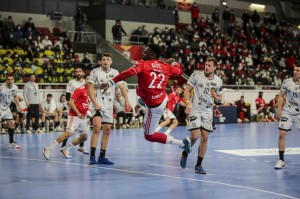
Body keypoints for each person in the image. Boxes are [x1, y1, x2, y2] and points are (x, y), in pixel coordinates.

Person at [100, 44, 192, 153]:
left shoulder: (143, 64)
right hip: (162, 98)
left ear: (152, 55)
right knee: (141, 89)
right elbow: (180, 71)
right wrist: (174, 62)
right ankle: (144, 101)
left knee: (149, 136)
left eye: (146, 52)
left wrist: (111, 82)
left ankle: (181, 143)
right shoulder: (166, 66)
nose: (143, 53)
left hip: (154, 106)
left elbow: (128, 73)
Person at [179, 57, 223, 174]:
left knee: (205, 137)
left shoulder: (218, 81)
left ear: (214, 67)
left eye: (209, 65)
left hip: (208, 112)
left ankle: (198, 165)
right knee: (195, 136)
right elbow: (187, 90)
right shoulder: (196, 75)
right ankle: (185, 153)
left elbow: (220, 100)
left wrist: (216, 98)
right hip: (195, 110)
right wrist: (188, 105)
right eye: (206, 64)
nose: (206, 66)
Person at [88, 53, 130, 165]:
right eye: (103, 59)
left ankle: (102, 157)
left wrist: (127, 100)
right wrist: (94, 102)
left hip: (108, 106)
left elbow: (122, 87)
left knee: (107, 131)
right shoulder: (95, 72)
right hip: (97, 104)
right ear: (101, 61)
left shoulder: (115, 72)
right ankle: (92, 156)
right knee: (96, 128)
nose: (105, 61)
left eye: (108, 59)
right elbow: (90, 88)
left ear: (111, 61)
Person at [43, 77, 91, 160]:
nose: (89, 81)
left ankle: (66, 148)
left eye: (91, 79)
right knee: (68, 134)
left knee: (85, 137)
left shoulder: (91, 91)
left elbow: (86, 103)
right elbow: (70, 102)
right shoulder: (80, 89)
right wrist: (78, 112)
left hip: (83, 117)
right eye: (88, 79)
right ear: (85, 81)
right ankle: (48, 149)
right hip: (74, 115)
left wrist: (88, 112)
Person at [274, 63, 300, 169]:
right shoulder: (287, 82)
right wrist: (279, 110)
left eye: (298, 70)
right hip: (288, 111)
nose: (295, 72)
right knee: (282, 134)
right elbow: (281, 96)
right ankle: (281, 160)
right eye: (294, 70)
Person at [61, 66, 89, 154]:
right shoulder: (71, 83)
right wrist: (73, 107)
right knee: (70, 130)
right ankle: (63, 147)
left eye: (80, 71)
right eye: (76, 71)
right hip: (74, 109)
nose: (78, 73)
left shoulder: (86, 82)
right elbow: (68, 97)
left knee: (83, 129)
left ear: (83, 73)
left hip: (83, 109)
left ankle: (81, 146)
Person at [0, 75, 22, 148]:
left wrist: (19, 106)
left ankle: (11, 142)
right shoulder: (2, 88)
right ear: (6, 80)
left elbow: (15, 96)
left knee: (11, 124)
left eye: (11, 79)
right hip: (0, 107)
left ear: (13, 80)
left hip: (7, 108)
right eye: (8, 79)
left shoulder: (15, 87)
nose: (10, 81)